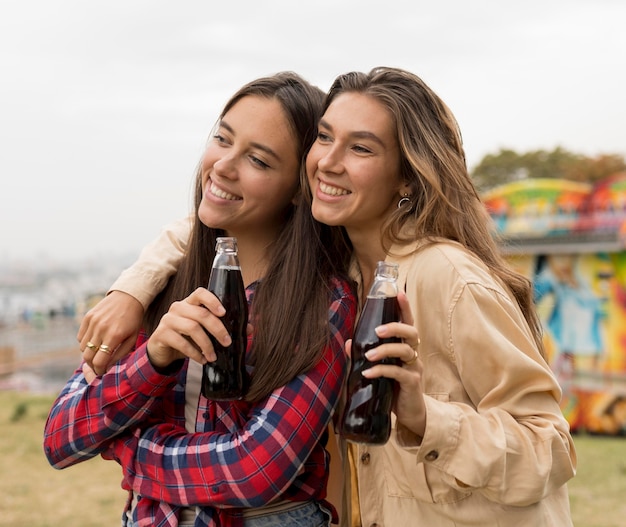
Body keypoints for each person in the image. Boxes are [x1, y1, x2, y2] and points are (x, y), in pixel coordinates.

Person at [74, 67, 577, 526]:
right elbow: (213, 219)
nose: (327, 163)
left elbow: (550, 448)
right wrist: (132, 287)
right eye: (324, 138)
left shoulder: (446, 276)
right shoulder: (342, 266)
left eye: (360, 148)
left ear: (406, 175)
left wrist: (427, 418)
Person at [44, 71, 357, 527]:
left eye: (259, 160)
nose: (224, 166)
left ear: (297, 189)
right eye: (222, 140)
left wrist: (129, 449)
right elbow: (62, 435)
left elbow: (255, 470)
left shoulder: (323, 303)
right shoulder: (161, 282)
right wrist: (154, 358)